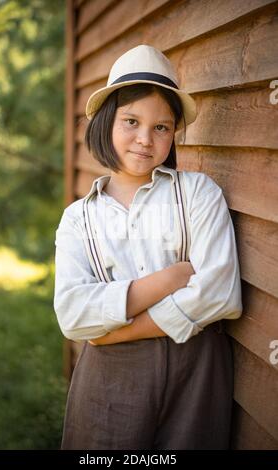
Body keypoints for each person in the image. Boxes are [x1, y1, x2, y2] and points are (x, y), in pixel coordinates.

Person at [54, 45, 242, 450]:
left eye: (162, 127)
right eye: (131, 121)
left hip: (198, 369)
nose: (145, 139)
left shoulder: (197, 194)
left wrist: (115, 332)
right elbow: (73, 316)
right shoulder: (78, 219)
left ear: (174, 134)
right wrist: (170, 278)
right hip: (109, 377)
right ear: (106, 123)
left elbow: (220, 295)